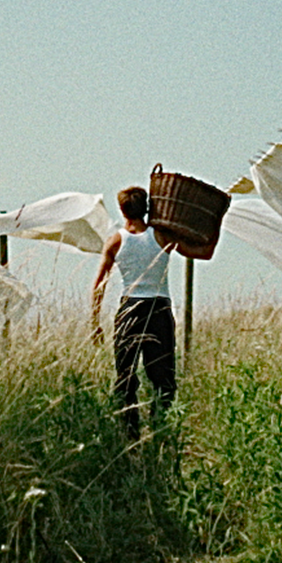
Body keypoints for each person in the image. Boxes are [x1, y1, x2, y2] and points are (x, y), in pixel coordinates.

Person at [90, 185, 178, 440]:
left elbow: (99, 285)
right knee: (163, 378)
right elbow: (198, 249)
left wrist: (95, 322)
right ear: (147, 207)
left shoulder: (115, 241)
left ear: (122, 210)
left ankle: (130, 435)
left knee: (125, 377)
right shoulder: (162, 237)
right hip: (159, 309)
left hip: (130, 309)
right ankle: (160, 432)